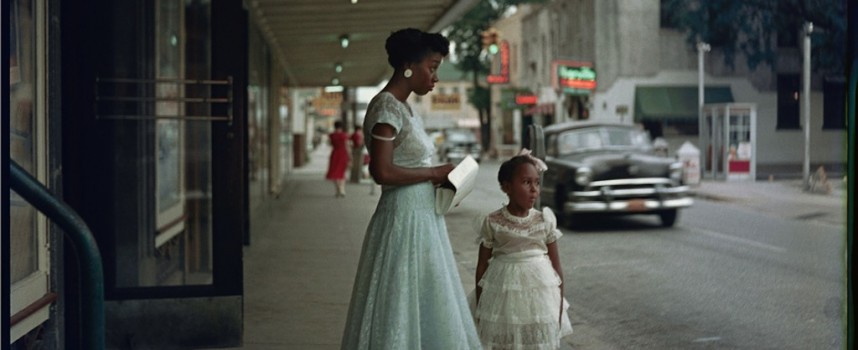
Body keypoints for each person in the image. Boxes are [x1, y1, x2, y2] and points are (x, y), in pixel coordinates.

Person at [340, 28, 481, 349]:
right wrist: (434, 171)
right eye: (431, 67)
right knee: (401, 296)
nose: (435, 77)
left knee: (424, 295)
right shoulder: (386, 108)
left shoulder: (405, 108)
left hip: (422, 216)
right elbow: (381, 170)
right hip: (403, 219)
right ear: (408, 65)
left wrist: (444, 182)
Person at [471, 149, 574, 349]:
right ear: (506, 187)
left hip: (539, 298)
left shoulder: (544, 220)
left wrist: (558, 309)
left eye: (537, 182)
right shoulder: (493, 222)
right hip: (503, 295)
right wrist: (481, 308)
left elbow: (556, 269)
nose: (534, 189)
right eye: (526, 182)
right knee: (507, 340)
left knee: (534, 340)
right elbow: (482, 266)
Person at [325, 120, 350, 197]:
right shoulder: (344, 135)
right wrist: (350, 156)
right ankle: (342, 190)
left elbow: (329, 143)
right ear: (341, 127)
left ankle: (338, 190)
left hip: (335, 154)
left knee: (335, 173)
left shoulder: (331, 135)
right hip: (343, 154)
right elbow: (347, 146)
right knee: (342, 172)